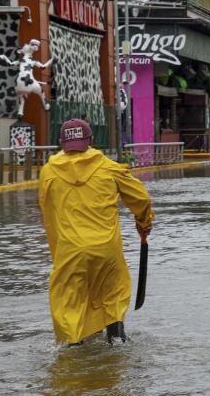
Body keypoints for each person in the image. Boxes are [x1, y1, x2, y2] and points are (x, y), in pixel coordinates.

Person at [39, 118, 154, 345]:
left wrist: (58, 254)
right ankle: (117, 336)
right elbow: (141, 199)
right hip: (106, 250)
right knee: (112, 292)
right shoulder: (109, 167)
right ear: (90, 141)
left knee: (69, 302)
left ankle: (73, 347)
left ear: (61, 143)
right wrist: (144, 223)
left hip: (70, 251)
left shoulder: (48, 172)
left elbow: (48, 213)